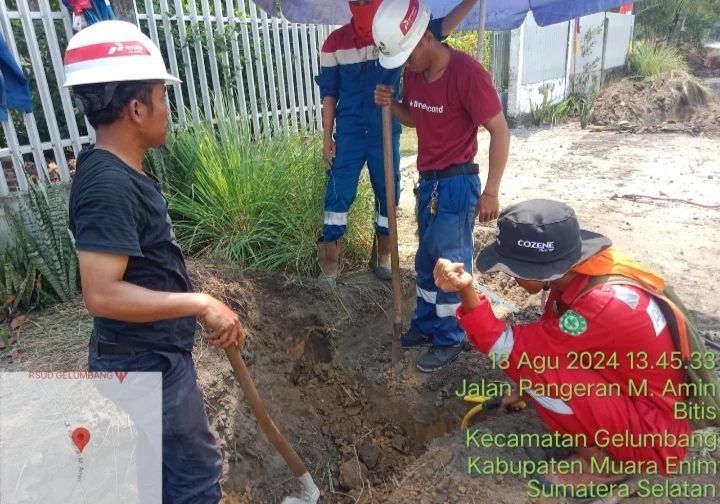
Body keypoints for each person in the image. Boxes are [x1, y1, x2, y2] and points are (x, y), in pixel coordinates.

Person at [64, 21, 242, 503]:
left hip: (144, 353)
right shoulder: (108, 184)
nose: (168, 110)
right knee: (197, 474)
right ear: (137, 108)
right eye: (163, 97)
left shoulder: (117, 170)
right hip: (144, 361)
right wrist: (201, 302)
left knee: (162, 465)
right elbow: (102, 294)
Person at [434, 199, 692, 492]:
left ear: (539, 269)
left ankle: (606, 466)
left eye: (513, 269)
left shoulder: (599, 305)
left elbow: (510, 347)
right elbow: (562, 345)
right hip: (647, 406)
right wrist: (522, 390)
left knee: (537, 370)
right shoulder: (586, 275)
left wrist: (466, 290)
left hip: (653, 438)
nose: (512, 277)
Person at [373, 0, 511, 372]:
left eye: (408, 56)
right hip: (429, 184)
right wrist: (391, 104)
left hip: (457, 183)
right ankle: (427, 325)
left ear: (428, 38)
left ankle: (451, 336)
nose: (405, 65)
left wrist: (491, 191)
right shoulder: (415, 73)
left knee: (450, 265)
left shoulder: (467, 73)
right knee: (426, 261)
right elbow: (416, 117)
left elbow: (500, 130)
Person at [314, 0, 481, 286]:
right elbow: (329, 93)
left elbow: (439, 28)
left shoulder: (395, 33)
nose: (362, 5)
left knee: (387, 192)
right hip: (349, 133)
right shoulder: (334, 44)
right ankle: (329, 263)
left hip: (384, 128)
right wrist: (327, 136)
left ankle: (383, 255)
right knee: (338, 193)